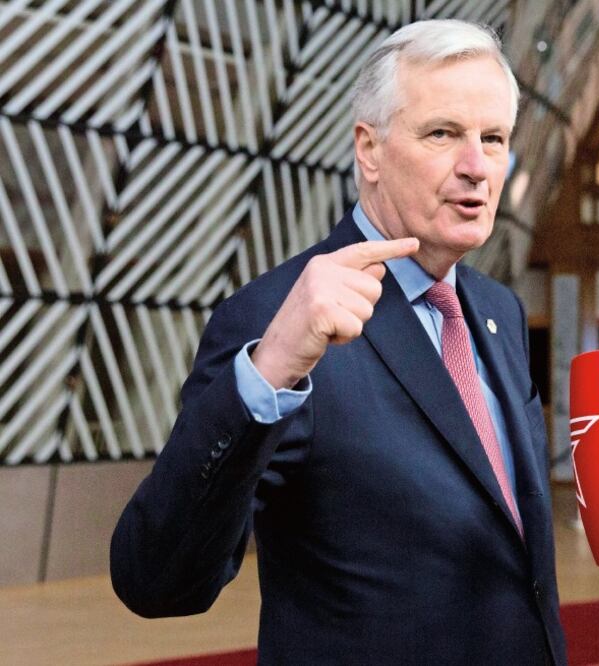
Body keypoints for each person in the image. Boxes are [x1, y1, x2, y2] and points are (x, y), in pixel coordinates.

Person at [111, 20, 567, 665]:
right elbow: (155, 579)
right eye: (442, 133)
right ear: (369, 149)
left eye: (493, 139)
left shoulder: (498, 312)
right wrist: (268, 374)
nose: (476, 167)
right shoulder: (277, 318)